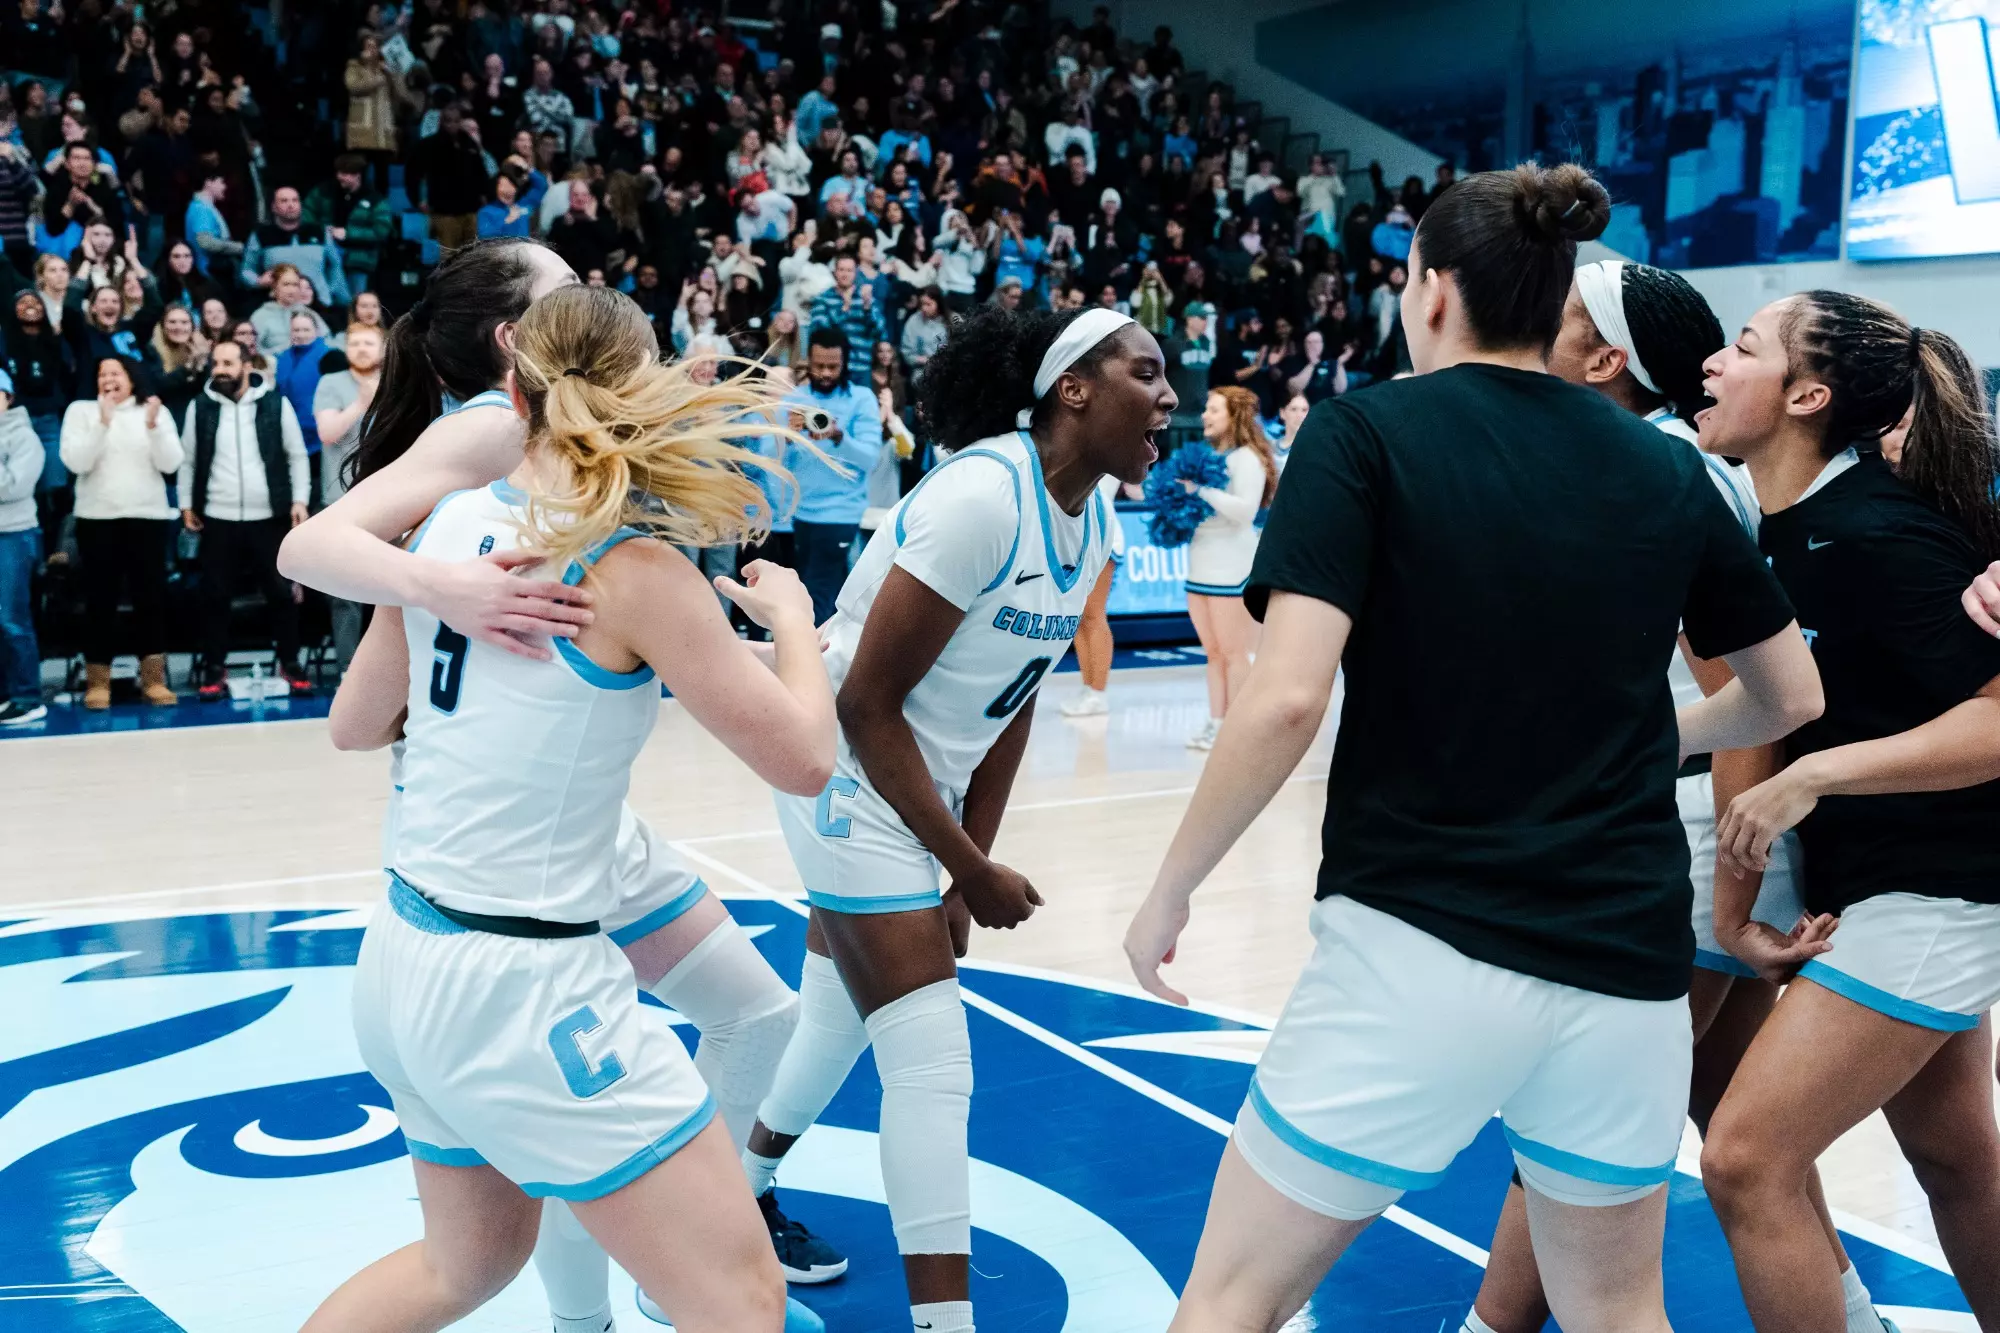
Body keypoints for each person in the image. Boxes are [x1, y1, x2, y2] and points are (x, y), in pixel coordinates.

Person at [1122, 164, 1824, 1333]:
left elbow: (1284, 697)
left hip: (1417, 946)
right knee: (1615, 1313)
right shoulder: (1665, 466)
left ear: (1431, 291)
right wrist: (1653, 735)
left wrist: (1169, 889)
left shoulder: (1363, 432)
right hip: (1626, 970)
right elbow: (1785, 693)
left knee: (1231, 1299)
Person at [276, 238, 838, 1332]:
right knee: (741, 1300)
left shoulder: (445, 516)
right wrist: (795, 629)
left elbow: (356, 721)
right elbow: (806, 759)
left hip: (405, 947)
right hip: (521, 981)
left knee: (462, 1267)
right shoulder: (632, 569)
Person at [1463, 259, 1879, 1333]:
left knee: (1580, 1110)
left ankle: (1489, 1324)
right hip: (1703, 831)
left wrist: (1730, 885)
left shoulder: (1653, 468)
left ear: (1603, 360)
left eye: (1548, 315)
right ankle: (1851, 1310)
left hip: (1691, 831)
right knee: (1712, 1100)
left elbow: (1742, 692)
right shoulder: (1647, 457)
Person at [740, 305, 1172, 1333]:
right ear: (1073, 387)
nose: (1167, 395)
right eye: (1144, 372)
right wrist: (966, 864)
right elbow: (861, 704)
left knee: (838, 1018)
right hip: (844, 768)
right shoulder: (982, 495)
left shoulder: (1094, 518)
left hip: (916, 787)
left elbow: (1012, 701)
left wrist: (965, 867)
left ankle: (735, 1187)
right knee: (933, 1061)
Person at [1695, 292, 2000, 1333]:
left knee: (1743, 1159)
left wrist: (1817, 777)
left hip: (1944, 889)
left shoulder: (1876, 536)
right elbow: (1752, 718)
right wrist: (1735, 907)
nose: (1711, 361)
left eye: (1739, 346)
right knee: (1955, 1161)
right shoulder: (1774, 531)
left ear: (1806, 394)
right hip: (1876, 885)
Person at [178, 337, 313, 701]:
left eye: (228, 363)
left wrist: (300, 499)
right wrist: (186, 503)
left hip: (269, 515)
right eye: (216, 364)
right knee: (215, 596)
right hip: (217, 517)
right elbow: (189, 460)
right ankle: (213, 667)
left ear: (246, 366)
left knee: (280, 594)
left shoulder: (274, 403)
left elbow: (296, 455)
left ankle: (290, 662)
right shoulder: (200, 407)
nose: (220, 370)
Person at [60, 356, 183, 709]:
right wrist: (102, 422)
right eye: (102, 374)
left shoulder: (153, 410)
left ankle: (154, 680)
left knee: (150, 600)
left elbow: (171, 463)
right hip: (98, 518)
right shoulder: (80, 411)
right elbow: (76, 463)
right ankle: (99, 682)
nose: (108, 379)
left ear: (131, 378)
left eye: (116, 373)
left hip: (148, 517)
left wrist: (154, 426)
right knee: (100, 600)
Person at [1182, 386, 1276, 750]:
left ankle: (1239, 731)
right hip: (1200, 564)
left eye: (1213, 409)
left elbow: (1245, 512)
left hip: (1232, 567)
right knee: (1214, 653)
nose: (1205, 415)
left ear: (1233, 415)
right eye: (1206, 408)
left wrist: (1199, 492)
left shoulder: (1248, 458)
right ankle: (1216, 722)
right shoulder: (1206, 456)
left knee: (1236, 653)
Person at [776, 327, 882, 624]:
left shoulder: (862, 399)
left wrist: (838, 436)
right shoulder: (795, 400)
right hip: (799, 517)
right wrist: (785, 436)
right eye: (818, 365)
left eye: (833, 366)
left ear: (845, 363)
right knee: (803, 599)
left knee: (821, 603)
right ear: (808, 361)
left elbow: (869, 459)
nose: (824, 372)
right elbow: (774, 463)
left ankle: (815, 664)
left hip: (840, 516)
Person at [313, 322, 383, 672]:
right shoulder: (331, 383)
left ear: (383, 347)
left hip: (388, 501)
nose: (360, 348)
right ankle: (349, 672)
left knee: (389, 592)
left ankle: (389, 675)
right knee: (345, 595)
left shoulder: (398, 383)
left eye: (369, 342)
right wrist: (360, 403)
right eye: (354, 342)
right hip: (339, 501)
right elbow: (327, 432)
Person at [1059, 472, 1129, 719]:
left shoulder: (1111, 442)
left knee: (1094, 614)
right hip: (1076, 533)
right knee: (1079, 618)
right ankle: (1088, 687)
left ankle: (1098, 693)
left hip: (1101, 529)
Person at [0, 367, 46, 725]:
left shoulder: (24, 437)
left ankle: (28, 697)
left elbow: (14, 486)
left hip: (14, 534)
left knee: (12, 619)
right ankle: (5, 693)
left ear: (8, 397)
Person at [303, 154, 396, 297]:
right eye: (339, 172)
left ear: (358, 175)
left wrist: (348, 233)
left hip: (358, 260)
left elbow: (381, 231)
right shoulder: (324, 191)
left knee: (355, 301)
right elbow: (306, 214)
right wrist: (322, 230)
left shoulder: (375, 199)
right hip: (325, 256)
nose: (340, 176)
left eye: (345, 173)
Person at [274, 311, 332, 505]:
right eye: (296, 329)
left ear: (316, 331)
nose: (301, 334)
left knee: (316, 492)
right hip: (289, 434)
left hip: (319, 437)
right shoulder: (283, 358)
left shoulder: (327, 356)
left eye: (306, 329)